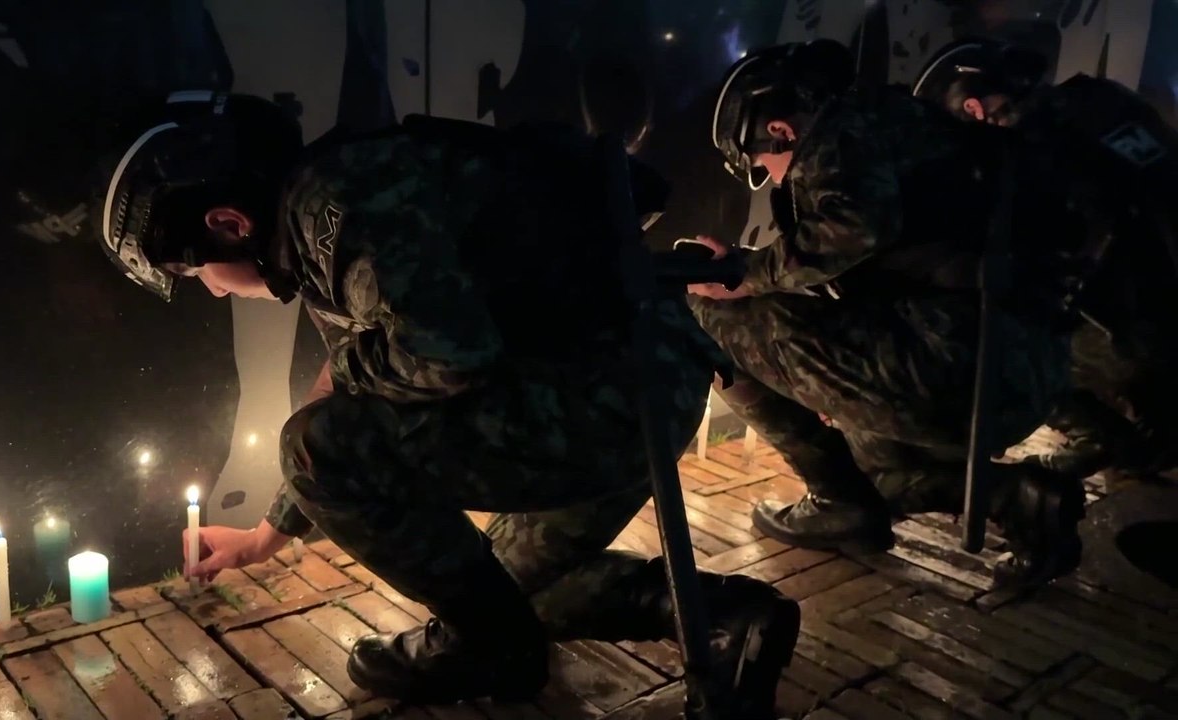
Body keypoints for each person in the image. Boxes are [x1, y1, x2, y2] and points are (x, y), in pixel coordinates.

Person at [95, 90, 799, 715]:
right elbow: (364, 367)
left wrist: (344, 397)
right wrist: (265, 537)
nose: (213, 290)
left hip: (604, 398)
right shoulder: (319, 210)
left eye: (195, 273)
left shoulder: (337, 205)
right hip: (633, 384)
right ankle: (727, 617)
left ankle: (492, 653)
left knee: (318, 447)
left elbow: (446, 355)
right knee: (502, 592)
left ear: (227, 222)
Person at [688, 39, 1085, 585]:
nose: (773, 180)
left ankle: (834, 498)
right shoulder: (906, 125)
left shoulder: (841, 134)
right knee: (877, 468)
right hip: (1019, 371)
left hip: (953, 369)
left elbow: (855, 227)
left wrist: (738, 277)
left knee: (705, 311)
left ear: (780, 130)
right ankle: (1018, 499)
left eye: (763, 165)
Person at [914, 38, 1178, 479]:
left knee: (976, 332)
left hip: (1139, 336)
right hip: (1157, 317)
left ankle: (1110, 434)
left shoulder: (1031, 153)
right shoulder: (1094, 101)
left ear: (974, 108)